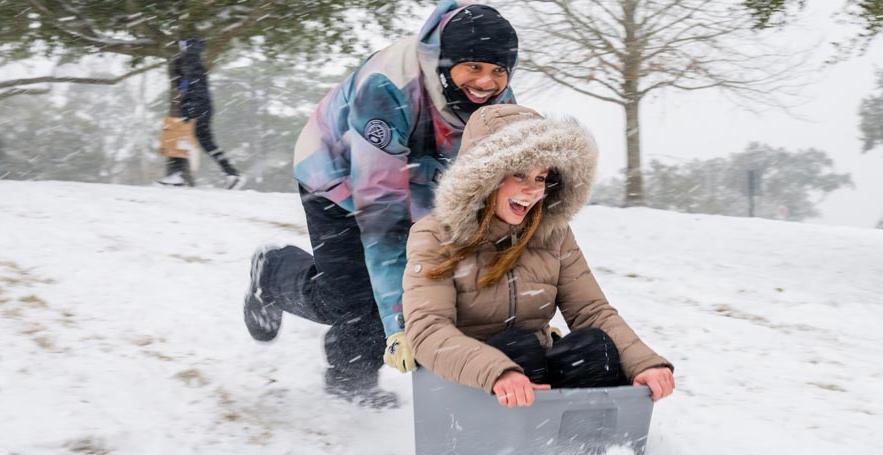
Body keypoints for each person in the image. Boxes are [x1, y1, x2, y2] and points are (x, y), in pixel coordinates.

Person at [242, 1, 519, 408]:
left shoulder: (499, 104)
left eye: (498, 71)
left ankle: (351, 373)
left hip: (421, 178)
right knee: (354, 296)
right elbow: (383, 218)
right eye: (473, 68)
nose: (486, 82)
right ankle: (278, 279)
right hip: (337, 173)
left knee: (441, 279)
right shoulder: (387, 87)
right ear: (445, 62)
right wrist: (398, 327)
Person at [402, 104, 675, 407]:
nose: (532, 191)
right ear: (484, 176)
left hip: (535, 380)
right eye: (519, 174)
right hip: (469, 381)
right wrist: (497, 371)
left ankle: (594, 448)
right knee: (516, 347)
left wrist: (644, 362)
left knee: (591, 347)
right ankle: (517, 447)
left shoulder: (552, 234)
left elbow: (591, 311)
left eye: (541, 178)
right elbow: (428, 329)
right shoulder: (436, 235)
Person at [157, 38, 244, 189]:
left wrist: (192, 107)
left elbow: (197, 88)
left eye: (182, 47)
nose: (181, 50)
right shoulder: (189, 63)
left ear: (188, 48)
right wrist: (178, 72)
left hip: (198, 106)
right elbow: (185, 85)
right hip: (200, 106)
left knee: (176, 133)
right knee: (204, 141)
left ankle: (177, 175)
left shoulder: (193, 62)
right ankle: (231, 173)